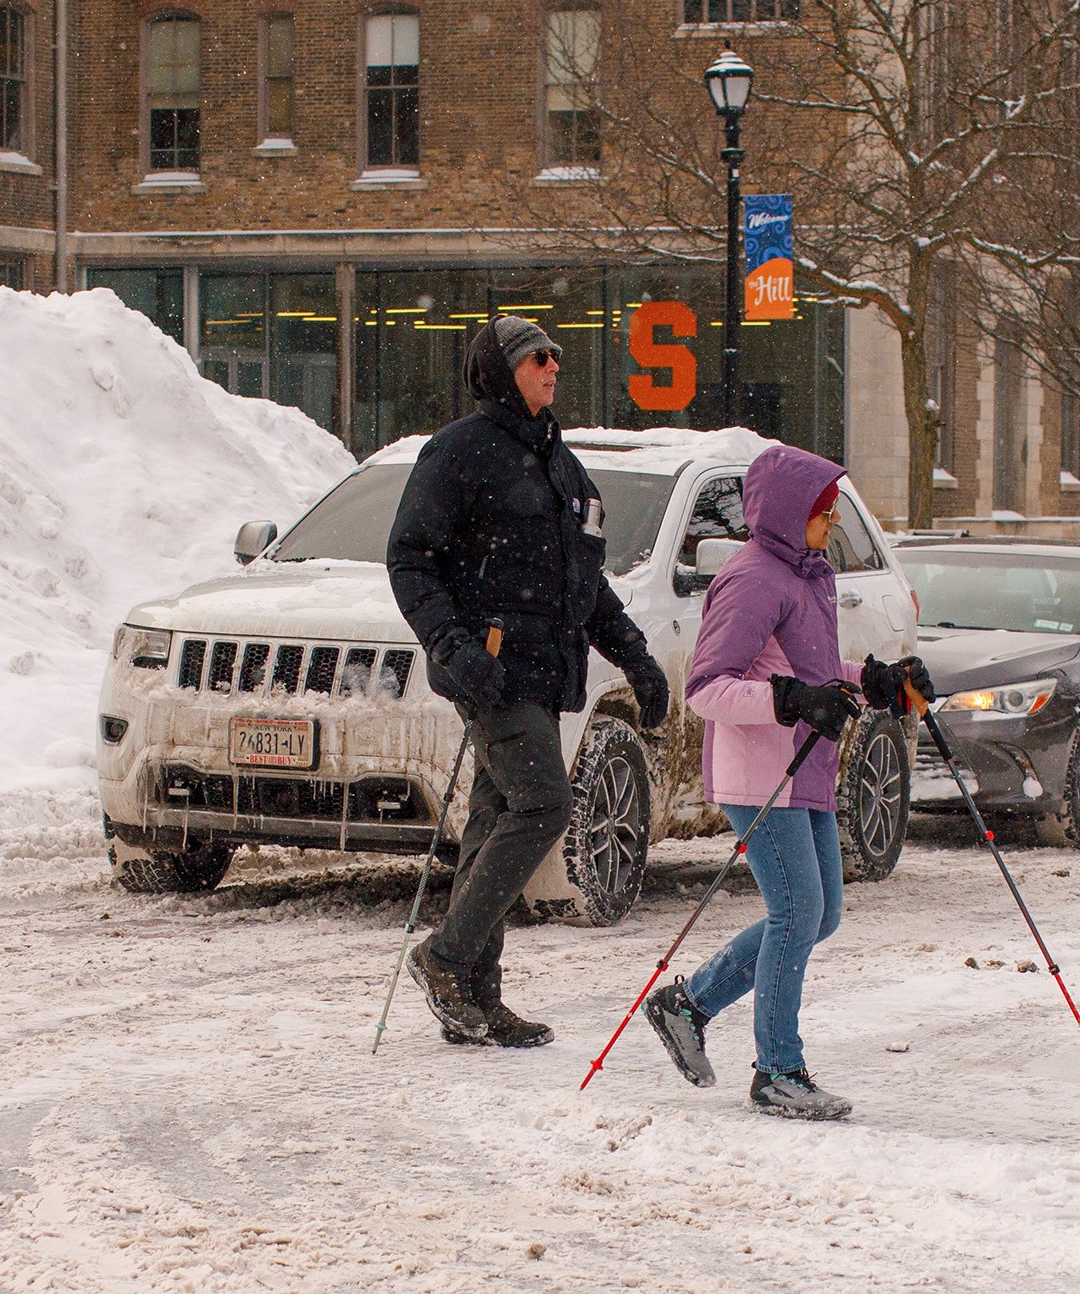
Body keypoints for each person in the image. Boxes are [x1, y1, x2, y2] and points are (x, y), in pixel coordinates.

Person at [386, 316, 671, 1047]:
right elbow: (410, 559)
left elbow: (588, 581)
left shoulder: (558, 463)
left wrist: (636, 656)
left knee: (494, 819)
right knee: (545, 803)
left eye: (556, 356)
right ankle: (445, 957)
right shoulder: (461, 452)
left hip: (545, 670)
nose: (553, 366)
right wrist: (454, 645)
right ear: (502, 369)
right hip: (491, 668)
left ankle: (476, 994)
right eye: (538, 357)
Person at [639, 444, 931, 1118]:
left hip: (806, 769)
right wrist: (789, 701)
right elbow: (708, 688)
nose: (832, 525)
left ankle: (687, 1004)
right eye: (824, 513)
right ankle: (777, 1067)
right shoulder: (751, 578)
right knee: (798, 911)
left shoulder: (809, 574)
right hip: (760, 776)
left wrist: (878, 681)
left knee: (818, 913)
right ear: (789, 511)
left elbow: (814, 669)